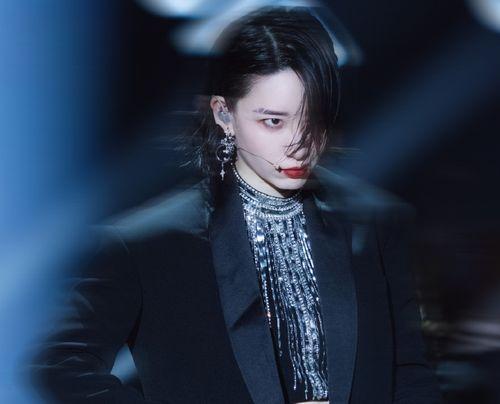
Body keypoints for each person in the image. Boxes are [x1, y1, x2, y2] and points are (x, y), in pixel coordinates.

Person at [25, 5, 443, 404]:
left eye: (314, 117)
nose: (298, 144)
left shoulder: (375, 223)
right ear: (224, 115)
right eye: (273, 121)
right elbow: (59, 365)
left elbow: (409, 370)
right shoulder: (148, 244)